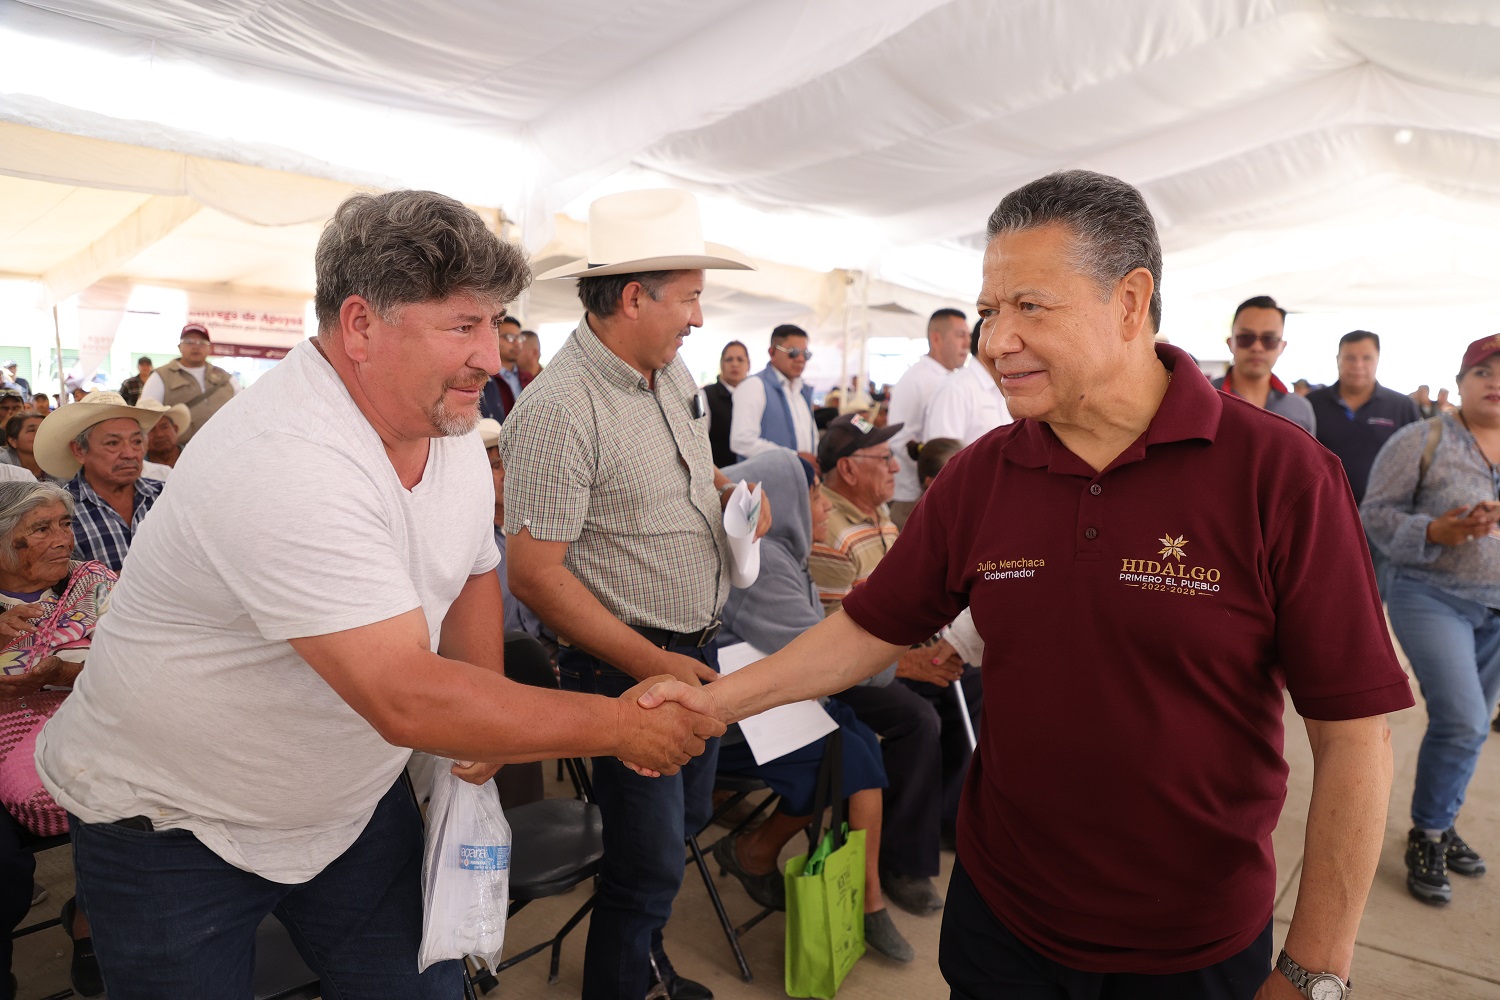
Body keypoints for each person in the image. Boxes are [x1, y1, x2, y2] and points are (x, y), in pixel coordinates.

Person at [641, 170, 1414, 1000]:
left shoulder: (1280, 475)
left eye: (1030, 307)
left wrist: (1314, 968)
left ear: (1129, 301)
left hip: (1192, 943)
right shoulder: (982, 476)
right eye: (988, 311)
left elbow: (1352, 734)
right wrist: (714, 703)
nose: (995, 340)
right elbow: (868, 630)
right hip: (1002, 923)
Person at [33, 190, 721, 1000]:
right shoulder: (286, 457)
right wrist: (621, 727)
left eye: (494, 324)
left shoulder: (442, 424)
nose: (491, 356)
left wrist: (484, 705)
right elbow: (403, 696)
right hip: (173, 820)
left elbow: (474, 566)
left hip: (347, 803)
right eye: (463, 326)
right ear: (360, 325)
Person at [501, 187, 765, 1000]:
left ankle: (645, 964)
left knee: (680, 828)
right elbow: (534, 574)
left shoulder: (668, 370)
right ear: (633, 299)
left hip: (693, 650)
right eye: (689, 298)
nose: (698, 318)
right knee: (646, 863)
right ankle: (628, 981)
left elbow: (691, 473)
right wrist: (656, 663)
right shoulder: (558, 408)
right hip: (629, 667)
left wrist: (731, 497)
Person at [711, 449, 911, 961]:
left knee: (860, 745)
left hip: (775, 700)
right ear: (782, 501)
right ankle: (857, 896)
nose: (823, 507)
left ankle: (767, 854)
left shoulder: (780, 551)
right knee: (851, 756)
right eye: (815, 495)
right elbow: (815, 654)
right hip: (741, 720)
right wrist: (893, 650)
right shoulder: (762, 563)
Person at [810, 413, 974, 917]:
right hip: (848, 670)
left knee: (973, 683)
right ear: (848, 469)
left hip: (894, 652)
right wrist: (911, 664)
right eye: (883, 458)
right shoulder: (830, 530)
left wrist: (942, 645)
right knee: (917, 719)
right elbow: (833, 644)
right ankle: (902, 862)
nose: (895, 468)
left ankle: (944, 818)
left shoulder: (879, 515)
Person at [1362, 333, 1500, 907]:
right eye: (1484, 371)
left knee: (1471, 726)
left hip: (1496, 607)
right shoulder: (1421, 439)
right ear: (1461, 381)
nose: (1495, 381)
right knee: (1464, 720)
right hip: (1431, 595)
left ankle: (1440, 820)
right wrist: (1434, 530)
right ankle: (1429, 835)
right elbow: (1373, 514)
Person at [0, 480, 116, 998]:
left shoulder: (95, 583)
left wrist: (62, 674)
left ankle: (92, 918)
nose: (63, 539)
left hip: (96, 713)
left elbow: (137, 654)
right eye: (41, 529)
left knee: (135, 787)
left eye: (65, 524)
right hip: (11, 732)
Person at [32, 392, 165, 572]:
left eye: (136, 441)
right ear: (79, 450)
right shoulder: (61, 511)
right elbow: (63, 582)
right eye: (113, 443)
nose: (129, 453)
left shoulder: (165, 495)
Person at [887, 308, 970, 528]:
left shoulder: (947, 378)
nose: (967, 343)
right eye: (960, 335)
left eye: (968, 336)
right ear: (936, 339)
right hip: (913, 496)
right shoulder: (918, 379)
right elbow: (900, 440)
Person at [477, 417, 551, 652]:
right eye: (496, 466)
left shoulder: (534, 528)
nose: (507, 474)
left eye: (510, 464)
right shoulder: (471, 541)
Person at [1212, 295, 1317, 435]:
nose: (1257, 347)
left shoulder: (1300, 409)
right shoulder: (1204, 399)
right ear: (1230, 343)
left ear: (1282, 347)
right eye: (1246, 337)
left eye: (1269, 339)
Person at [729, 324, 817, 464]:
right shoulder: (754, 386)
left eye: (806, 354)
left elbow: (812, 437)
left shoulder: (802, 391)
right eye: (793, 352)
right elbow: (742, 441)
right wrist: (794, 457)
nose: (801, 359)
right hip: (765, 476)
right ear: (772, 352)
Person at [139, 323, 236, 445]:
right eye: (189, 342)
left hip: (224, 447)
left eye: (202, 342)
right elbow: (145, 417)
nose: (196, 347)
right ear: (179, 347)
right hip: (180, 451)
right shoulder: (161, 376)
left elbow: (244, 409)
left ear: (209, 348)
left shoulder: (225, 377)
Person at [923, 318, 1012, 447]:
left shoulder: (1001, 385)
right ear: (988, 344)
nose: (1016, 348)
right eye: (1010, 340)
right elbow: (942, 454)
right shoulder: (955, 389)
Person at [478, 315, 534, 423]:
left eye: (519, 338)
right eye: (510, 338)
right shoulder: (485, 379)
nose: (517, 344)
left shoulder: (528, 378)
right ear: (494, 337)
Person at [703, 340, 750, 468]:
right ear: (721, 364)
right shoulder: (707, 395)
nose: (735, 364)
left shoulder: (756, 395)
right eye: (729, 360)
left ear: (748, 365)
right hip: (720, 471)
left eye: (740, 359)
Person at [2, 413, 62, 484]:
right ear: (13, 441)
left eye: (44, 429)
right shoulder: (3, 470)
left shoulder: (61, 464)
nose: (40, 433)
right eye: (32, 430)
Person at [134, 397, 191, 470]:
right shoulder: (137, 468)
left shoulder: (194, 454)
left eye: (164, 427)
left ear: (175, 429)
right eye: (151, 429)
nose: (159, 434)